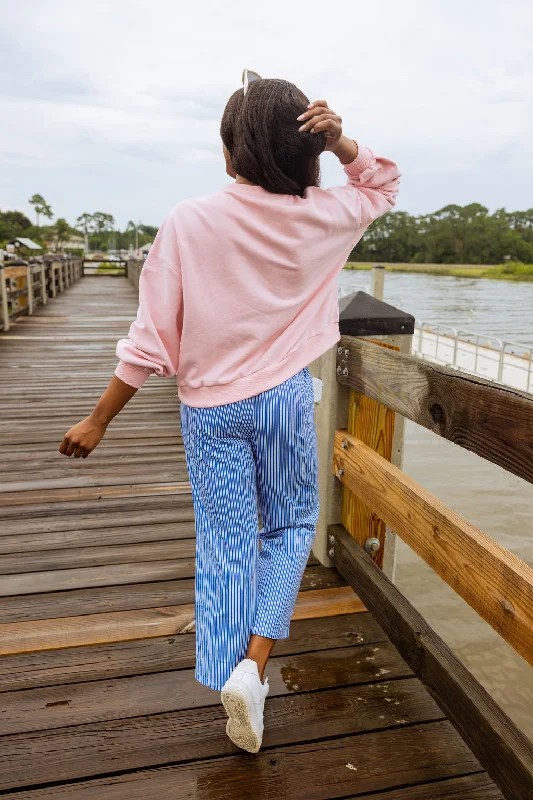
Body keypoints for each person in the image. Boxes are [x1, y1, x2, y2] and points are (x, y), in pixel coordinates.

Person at [59, 71, 400, 754]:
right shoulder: (324, 214)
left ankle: (224, 668)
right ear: (303, 148)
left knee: (224, 542)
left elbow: (152, 340)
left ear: (231, 150)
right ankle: (254, 669)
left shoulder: (190, 220)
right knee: (290, 527)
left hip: (209, 407)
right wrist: (342, 143)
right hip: (281, 399)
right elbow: (381, 187)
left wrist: (98, 419)